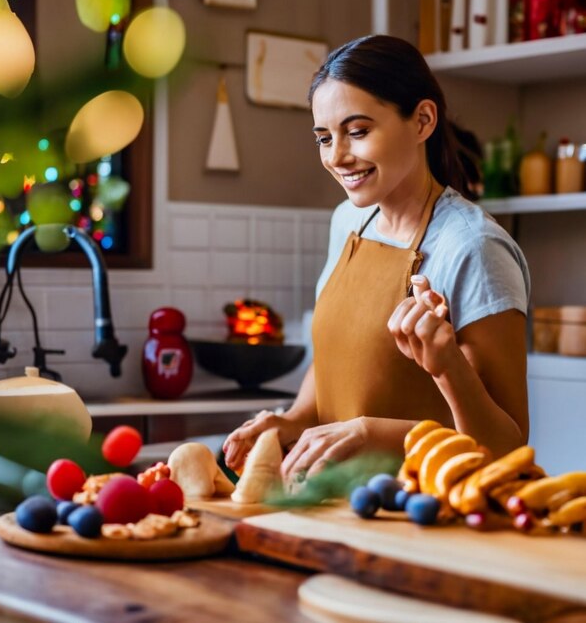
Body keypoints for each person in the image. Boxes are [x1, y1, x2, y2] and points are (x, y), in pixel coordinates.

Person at [223, 34, 530, 484]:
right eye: (324, 138)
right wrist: (293, 420)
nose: (337, 156)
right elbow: (335, 365)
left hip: (423, 512)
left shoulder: (474, 248)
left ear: (423, 120)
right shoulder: (348, 220)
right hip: (328, 502)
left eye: (358, 131)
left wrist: (376, 431)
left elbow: (507, 446)